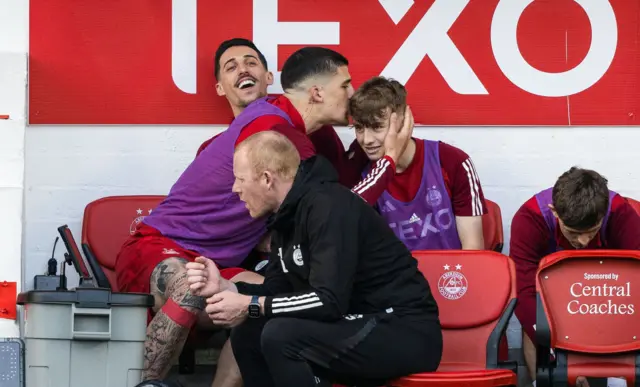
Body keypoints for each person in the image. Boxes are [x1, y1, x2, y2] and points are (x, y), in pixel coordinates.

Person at [115, 39, 413, 383]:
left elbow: (342, 199)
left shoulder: (319, 136)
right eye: (345, 85)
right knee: (189, 288)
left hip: (224, 266)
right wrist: (390, 156)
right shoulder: (271, 128)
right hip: (160, 247)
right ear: (316, 93)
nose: (351, 94)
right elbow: (343, 208)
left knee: (276, 304)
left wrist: (384, 131)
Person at [186, 131, 443, 387]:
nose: (235, 188)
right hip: (358, 323)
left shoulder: (328, 206)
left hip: (404, 330)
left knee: (281, 335)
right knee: (248, 332)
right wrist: (227, 288)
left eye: (240, 179)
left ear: (266, 179)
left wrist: (250, 304)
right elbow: (278, 290)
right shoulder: (285, 218)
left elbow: (329, 300)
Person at [511, 167, 640, 387]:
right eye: (573, 232)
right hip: (555, 307)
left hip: (610, 300)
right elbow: (523, 294)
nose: (583, 242)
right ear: (554, 211)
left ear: (604, 212)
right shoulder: (529, 218)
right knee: (533, 321)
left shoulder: (621, 213)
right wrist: (562, 362)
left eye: (592, 231)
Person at [348, 76, 487, 250]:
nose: (366, 140)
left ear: (404, 121)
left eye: (377, 127)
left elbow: (473, 250)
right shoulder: (358, 173)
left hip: (451, 275)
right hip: (396, 277)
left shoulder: (452, 161)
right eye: (359, 128)